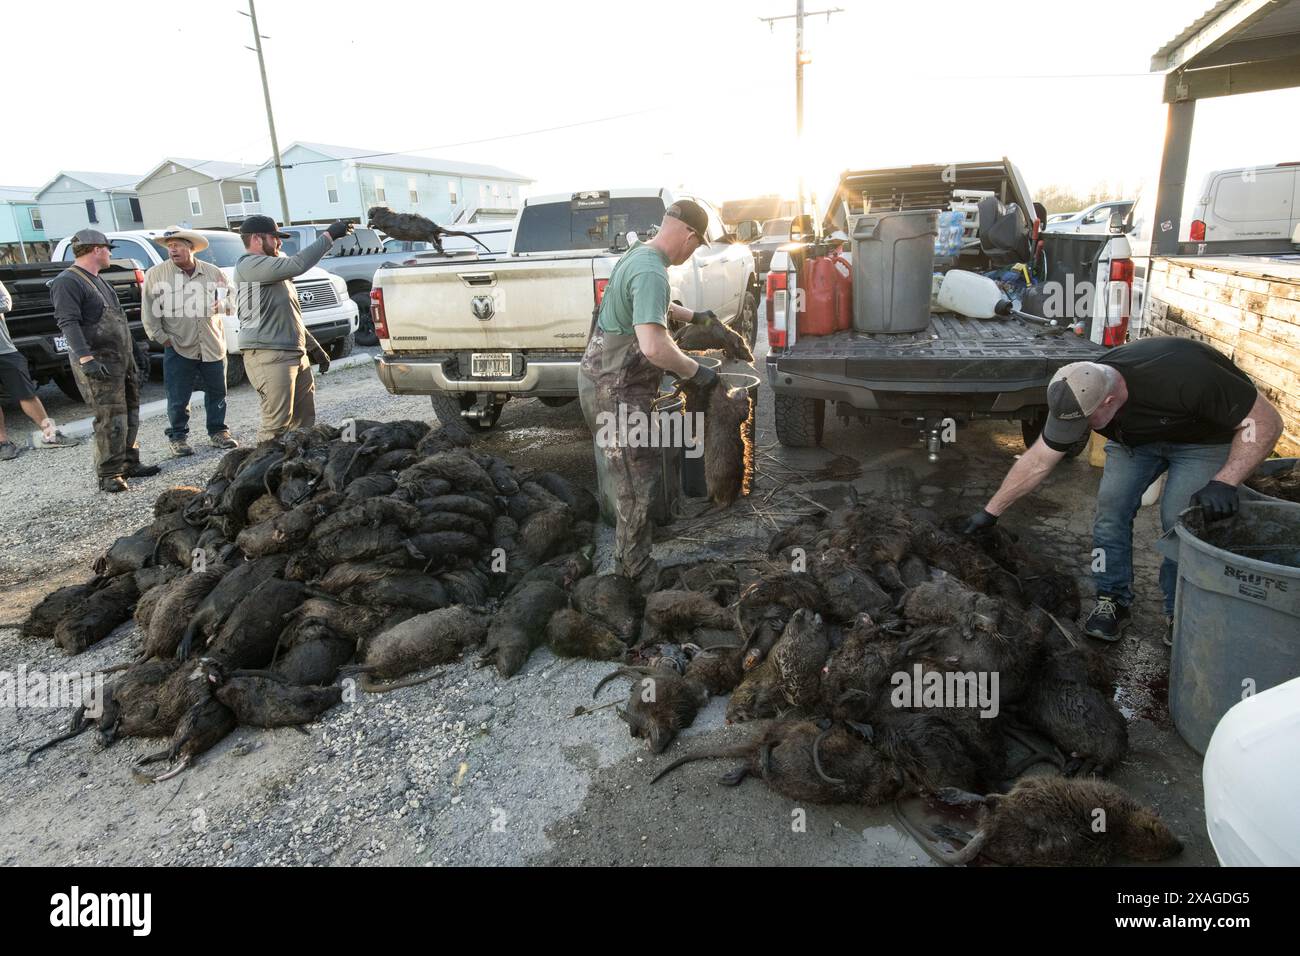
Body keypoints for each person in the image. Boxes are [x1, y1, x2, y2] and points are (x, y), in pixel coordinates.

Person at [962, 337, 1283, 644]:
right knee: (1110, 509)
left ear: (1110, 400)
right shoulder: (1079, 385)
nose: (1082, 430)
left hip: (1201, 441)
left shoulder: (1189, 376)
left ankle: (1180, 611)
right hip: (1135, 440)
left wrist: (1225, 481)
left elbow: (1266, 422)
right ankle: (1112, 598)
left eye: (1087, 421)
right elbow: (1038, 460)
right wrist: (990, 512)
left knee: (1181, 519)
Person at [577, 199, 721, 592]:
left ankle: (633, 551)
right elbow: (654, 346)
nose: (693, 252)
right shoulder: (652, 270)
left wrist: (696, 317)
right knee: (635, 480)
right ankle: (634, 571)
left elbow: (650, 308)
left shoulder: (639, 254)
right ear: (689, 235)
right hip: (615, 392)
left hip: (608, 383)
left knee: (635, 472)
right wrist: (698, 373)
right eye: (697, 244)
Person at [50, 229, 159, 492]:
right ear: (96, 249)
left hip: (122, 360)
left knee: (130, 411)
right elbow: (68, 323)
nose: (110, 253)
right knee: (110, 416)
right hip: (99, 363)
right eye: (108, 249)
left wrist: (135, 352)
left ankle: (129, 463)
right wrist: (86, 358)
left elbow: (118, 320)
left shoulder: (100, 280)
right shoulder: (68, 282)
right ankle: (109, 473)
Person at [234, 215, 350, 441]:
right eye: (275, 238)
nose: (279, 243)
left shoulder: (272, 271)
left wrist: (313, 347)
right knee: (276, 426)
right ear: (257, 239)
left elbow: (288, 315)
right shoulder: (249, 265)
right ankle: (260, 471)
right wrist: (328, 236)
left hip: (293, 353)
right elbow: (298, 264)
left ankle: (296, 469)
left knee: (304, 422)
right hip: (269, 355)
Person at [141, 227, 238, 457]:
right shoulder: (156, 274)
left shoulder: (213, 272)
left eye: (178, 245)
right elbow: (149, 311)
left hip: (212, 344)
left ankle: (218, 431)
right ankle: (178, 437)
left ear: (191, 248)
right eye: (170, 246)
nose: (172, 249)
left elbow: (233, 297)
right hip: (178, 344)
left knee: (217, 391)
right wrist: (161, 338)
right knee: (178, 395)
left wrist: (223, 305)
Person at [0, 279, 79, 460]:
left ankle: (51, 434)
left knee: (26, 394)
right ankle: (3, 443)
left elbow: (5, 303)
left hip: (5, 350)